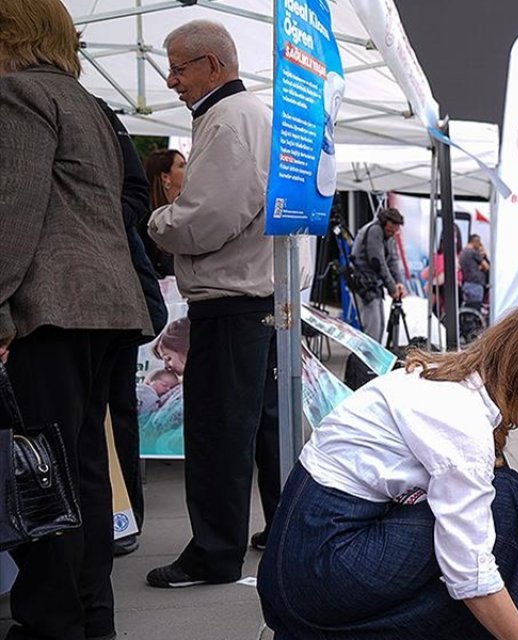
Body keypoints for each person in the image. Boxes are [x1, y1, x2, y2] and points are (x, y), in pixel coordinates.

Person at [258, 304, 518, 640]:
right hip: (319, 571)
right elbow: (470, 575)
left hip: (302, 559)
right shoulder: (462, 420)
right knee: (501, 510)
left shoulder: (443, 377)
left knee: (505, 502)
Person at [0, 1, 151, 637]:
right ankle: (91, 618)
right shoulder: (87, 101)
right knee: (85, 472)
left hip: (52, 311)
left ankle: (50, 624)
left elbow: (12, 213)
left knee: (41, 474)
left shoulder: (17, 94)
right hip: (108, 309)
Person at [146, 19, 298, 589]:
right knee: (262, 429)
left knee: (218, 433)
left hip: (233, 300)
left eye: (179, 68)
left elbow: (207, 218)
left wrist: (158, 221)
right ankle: (278, 527)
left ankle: (213, 553)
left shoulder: (229, 120)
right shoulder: (253, 116)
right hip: (261, 297)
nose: (171, 81)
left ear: (212, 65)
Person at [94, 98, 170, 558]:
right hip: (115, 297)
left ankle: (121, 519)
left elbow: (133, 199)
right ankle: (118, 520)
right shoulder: (100, 114)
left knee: (109, 414)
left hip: (108, 298)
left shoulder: (99, 114)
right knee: (105, 416)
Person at [350, 207, 407, 341]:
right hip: (364, 284)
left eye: (394, 230)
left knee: (380, 325)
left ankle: (373, 360)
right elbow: (378, 262)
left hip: (374, 284)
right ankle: (367, 361)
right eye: (389, 230)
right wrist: (392, 288)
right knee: (373, 327)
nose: (392, 233)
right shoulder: (375, 231)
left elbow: (393, 260)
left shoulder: (389, 235)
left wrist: (399, 282)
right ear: (383, 224)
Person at [142, 149, 187, 277]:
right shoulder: (147, 217)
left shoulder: (183, 210)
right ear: (165, 177)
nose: (188, 169)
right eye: (181, 165)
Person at [460, 233, 490, 307]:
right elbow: (487, 267)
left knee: (469, 309)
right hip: (476, 285)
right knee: (476, 308)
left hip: (466, 284)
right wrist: (485, 255)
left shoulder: (462, 253)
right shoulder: (473, 252)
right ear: (475, 241)